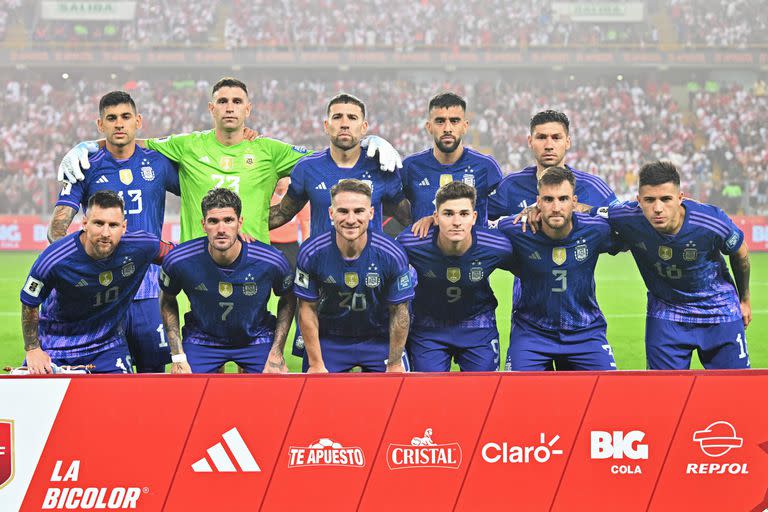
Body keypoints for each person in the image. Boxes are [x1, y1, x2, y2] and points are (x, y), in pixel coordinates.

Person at [57, 78, 402, 245]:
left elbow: (325, 157)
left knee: (254, 350)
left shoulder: (270, 150)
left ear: (248, 109)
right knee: (207, 353)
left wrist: (367, 141)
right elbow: (130, 139)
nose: (230, 106)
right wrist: (89, 145)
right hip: (199, 255)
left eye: (238, 101)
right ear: (212, 108)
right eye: (222, 100)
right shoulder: (186, 145)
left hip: (254, 256)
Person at [47, 90, 180, 373]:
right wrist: (83, 265)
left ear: (138, 121)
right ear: (101, 125)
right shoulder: (85, 167)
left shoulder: (158, 163)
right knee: (102, 378)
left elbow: (199, 192)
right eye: (111, 118)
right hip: (102, 291)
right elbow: (57, 229)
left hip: (147, 289)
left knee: (153, 376)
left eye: (125, 117)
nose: (119, 124)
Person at [595, 160, 751, 369]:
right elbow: (582, 211)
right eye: (649, 200)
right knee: (663, 395)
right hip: (666, 314)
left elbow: (740, 253)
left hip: (720, 312)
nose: (657, 208)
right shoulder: (626, 216)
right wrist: (537, 208)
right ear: (638, 200)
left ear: (680, 198)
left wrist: (744, 300)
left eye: (666, 199)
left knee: (735, 392)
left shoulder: (711, 220)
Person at [20, 190, 172, 374]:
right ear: (85, 223)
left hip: (108, 346)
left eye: (113, 225)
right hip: (55, 347)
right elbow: (29, 302)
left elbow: (181, 259)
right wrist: (33, 349)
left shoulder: (141, 246)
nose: (106, 233)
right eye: (99, 223)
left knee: (126, 399)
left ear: (124, 227)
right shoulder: (54, 259)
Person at [159, 188, 296, 374]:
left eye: (228, 220)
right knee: (184, 392)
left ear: (240, 223)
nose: (221, 229)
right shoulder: (179, 260)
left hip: (256, 339)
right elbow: (167, 299)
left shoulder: (271, 260)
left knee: (275, 392)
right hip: (202, 340)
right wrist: (178, 356)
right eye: (213, 221)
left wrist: (277, 352)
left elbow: (288, 298)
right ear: (203, 224)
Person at [498, 167, 621, 371]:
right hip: (532, 332)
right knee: (516, 396)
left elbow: (633, 227)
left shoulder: (596, 229)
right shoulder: (516, 229)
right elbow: (473, 230)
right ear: (538, 202)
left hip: (585, 331)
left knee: (606, 396)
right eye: (548, 199)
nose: (556, 207)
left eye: (563, 199)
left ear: (574, 202)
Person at [294, 179, 413, 373]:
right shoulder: (311, 252)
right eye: (343, 211)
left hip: (379, 339)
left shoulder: (392, 253)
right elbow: (307, 308)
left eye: (358, 211)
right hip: (330, 340)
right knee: (316, 401)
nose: (350, 219)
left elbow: (399, 311)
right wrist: (316, 363)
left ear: (371, 213)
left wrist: (394, 363)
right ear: (331, 213)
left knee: (398, 399)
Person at [397, 181, 514, 372]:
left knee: (483, 395)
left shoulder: (497, 246)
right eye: (448, 214)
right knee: (425, 395)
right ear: (435, 216)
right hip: (429, 328)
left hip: (479, 325)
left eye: (464, 214)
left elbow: (527, 267)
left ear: (474, 217)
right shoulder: (411, 241)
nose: (457, 222)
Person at [269, 92, 410, 237]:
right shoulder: (307, 168)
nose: (344, 124)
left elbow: (408, 217)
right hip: (322, 259)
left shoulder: (382, 167)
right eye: (337, 117)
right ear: (326, 126)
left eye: (352, 118)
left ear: (364, 127)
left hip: (370, 259)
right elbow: (281, 214)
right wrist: (244, 221)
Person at [402, 92, 503, 233]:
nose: (447, 128)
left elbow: (507, 205)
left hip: (474, 254)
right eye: (440, 121)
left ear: (465, 126)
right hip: (424, 253)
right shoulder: (410, 166)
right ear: (429, 127)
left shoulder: (486, 166)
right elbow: (393, 206)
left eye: (454, 121)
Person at [488, 110, 617, 219]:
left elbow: (625, 219)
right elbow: (475, 219)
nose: (549, 146)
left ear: (567, 142)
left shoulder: (592, 186)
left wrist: (586, 209)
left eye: (556, 138)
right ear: (530, 141)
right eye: (541, 137)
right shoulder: (511, 185)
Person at [269, 177, 310, 269]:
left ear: (289, 179)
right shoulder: (266, 197)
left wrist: (305, 248)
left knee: (295, 274)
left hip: (291, 245)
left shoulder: (296, 198)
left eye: (283, 178)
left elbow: (305, 223)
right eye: (279, 178)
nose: (280, 181)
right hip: (270, 244)